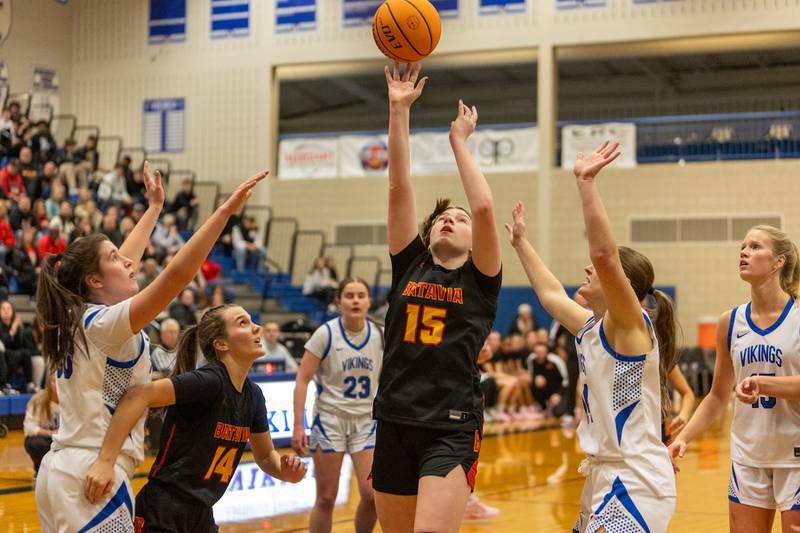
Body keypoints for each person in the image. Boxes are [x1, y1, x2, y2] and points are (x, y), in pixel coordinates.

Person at [34, 162, 268, 532]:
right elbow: (177, 275)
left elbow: (124, 263)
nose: (128, 263)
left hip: (61, 470)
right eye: (114, 258)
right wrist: (224, 213)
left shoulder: (82, 316)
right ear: (94, 280)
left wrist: (154, 208)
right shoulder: (104, 324)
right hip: (92, 470)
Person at [506, 142, 678, 532]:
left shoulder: (630, 326)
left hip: (636, 479)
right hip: (603, 475)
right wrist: (520, 244)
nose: (587, 268)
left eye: (596, 269)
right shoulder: (590, 327)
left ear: (621, 284)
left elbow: (603, 255)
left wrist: (586, 184)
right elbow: (550, 295)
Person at [371, 62, 502, 533]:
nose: (451, 219)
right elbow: (398, 186)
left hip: (451, 424)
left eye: (459, 220)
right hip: (394, 418)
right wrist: (398, 111)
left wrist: (458, 142)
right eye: (444, 217)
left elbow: (483, 207)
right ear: (428, 234)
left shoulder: (480, 278)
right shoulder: (410, 264)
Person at [84, 304, 307, 532]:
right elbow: (138, 395)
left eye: (251, 321)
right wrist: (106, 461)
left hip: (201, 512)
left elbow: (266, 456)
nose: (256, 327)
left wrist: (286, 472)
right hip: (164, 509)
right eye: (243, 322)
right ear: (221, 344)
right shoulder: (209, 382)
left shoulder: (254, 395)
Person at [669, 225, 800, 532]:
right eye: (743, 246)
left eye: (755, 247)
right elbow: (717, 397)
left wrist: (763, 384)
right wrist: (682, 438)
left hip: (795, 455)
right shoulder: (730, 322)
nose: (744, 252)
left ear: (778, 261)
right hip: (748, 455)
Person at [292, 278, 383, 533]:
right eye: (349, 295)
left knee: (372, 495)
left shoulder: (380, 334)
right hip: (330, 420)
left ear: (369, 301)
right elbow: (302, 380)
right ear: (338, 301)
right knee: (326, 498)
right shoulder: (325, 334)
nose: (355, 301)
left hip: (366, 421)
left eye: (361, 295)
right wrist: (298, 426)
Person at [24, 372, 59, 478]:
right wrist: (51, 433)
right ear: (49, 383)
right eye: (54, 382)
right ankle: (39, 469)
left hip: (66, 439)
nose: (57, 385)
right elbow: (29, 428)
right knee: (35, 443)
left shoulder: (72, 400)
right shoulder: (38, 400)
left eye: (60, 382)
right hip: (47, 439)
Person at [0, 300, 38, 393]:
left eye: (8, 308)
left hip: (14, 352)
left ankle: (30, 383)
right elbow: (3, 343)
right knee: (14, 354)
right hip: (3, 352)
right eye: (3, 309)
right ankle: (5, 384)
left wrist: (17, 328)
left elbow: (20, 344)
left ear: (13, 311)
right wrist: (13, 330)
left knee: (25, 353)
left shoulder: (16, 325)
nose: (6, 311)